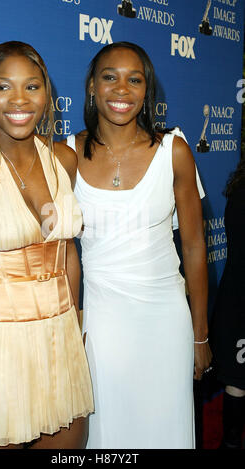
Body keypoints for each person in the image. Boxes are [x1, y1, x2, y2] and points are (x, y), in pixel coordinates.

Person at [0, 41, 93, 449]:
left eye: (31, 87)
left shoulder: (64, 159)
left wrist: (76, 329)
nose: (18, 100)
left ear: (47, 94)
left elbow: (68, 257)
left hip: (61, 342)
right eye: (2, 87)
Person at [64, 41, 212, 449]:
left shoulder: (174, 151)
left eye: (135, 79)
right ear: (92, 86)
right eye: (110, 77)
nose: (122, 90)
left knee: (165, 431)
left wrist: (200, 336)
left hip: (165, 321)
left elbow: (196, 247)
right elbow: (58, 250)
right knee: (105, 434)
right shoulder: (66, 155)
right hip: (100, 322)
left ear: (147, 90)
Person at [210, 153, 245, 449]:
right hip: (238, 302)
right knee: (237, 380)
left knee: (237, 380)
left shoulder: (239, 189)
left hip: (235, 299)